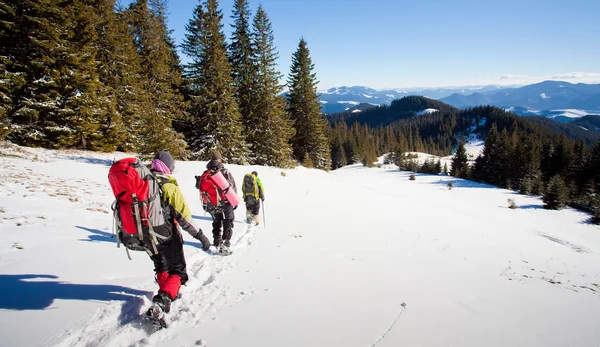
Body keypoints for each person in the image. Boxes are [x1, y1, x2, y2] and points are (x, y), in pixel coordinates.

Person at [148, 151, 211, 315]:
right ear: (168, 167)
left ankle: (166, 291)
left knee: (161, 265)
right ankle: (162, 301)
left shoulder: (143, 183)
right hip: (166, 234)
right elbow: (184, 217)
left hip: (146, 236)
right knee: (178, 271)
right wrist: (200, 236)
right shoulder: (168, 186)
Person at [198, 151, 237, 255]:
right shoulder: (224, 171)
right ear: (220, 159)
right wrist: (234, 200)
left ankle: (217, 242)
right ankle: (224, 244)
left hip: (211, 204)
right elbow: (231, 187)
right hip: (225, 203)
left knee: (216, 223)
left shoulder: (206, 173)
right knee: (228, 222)